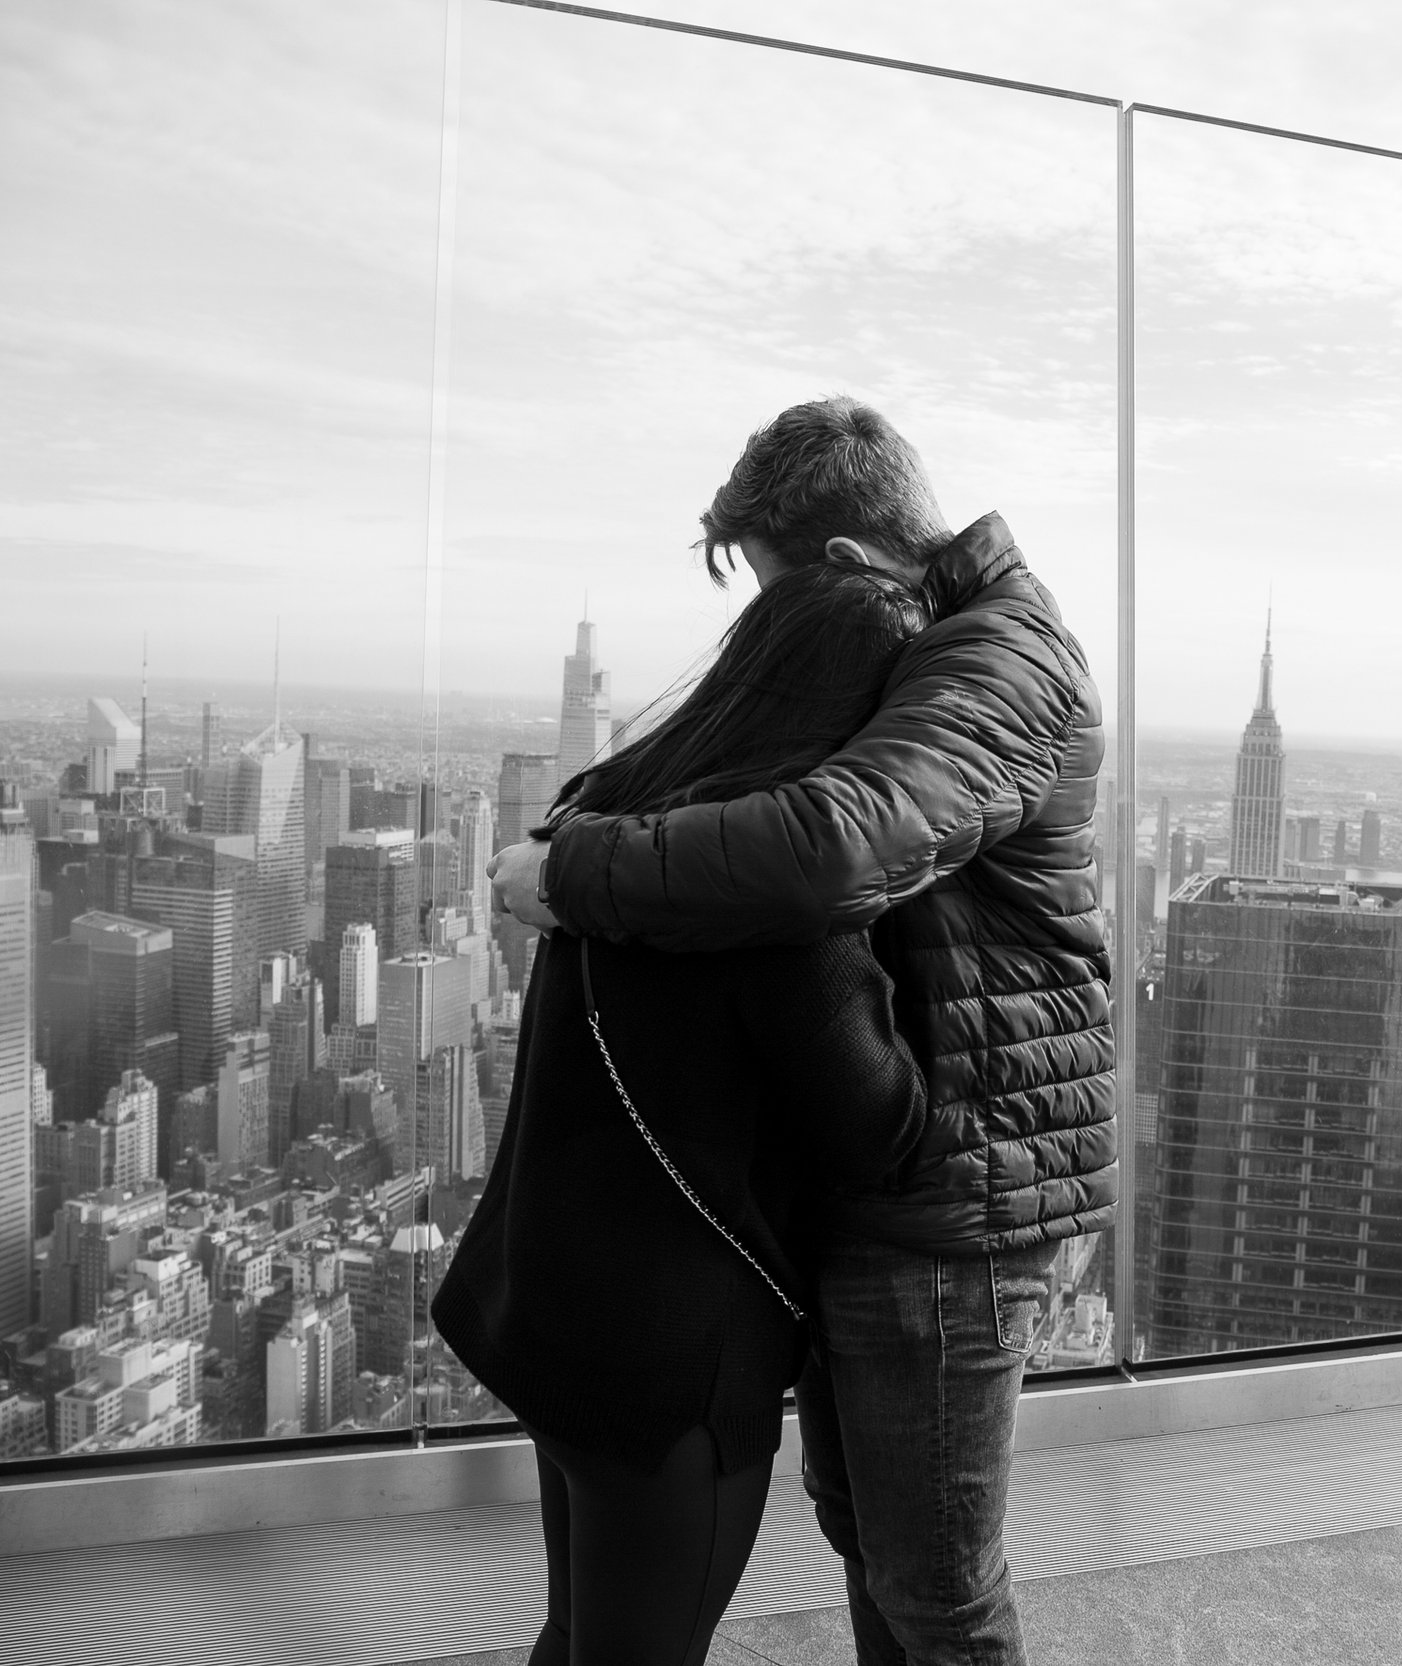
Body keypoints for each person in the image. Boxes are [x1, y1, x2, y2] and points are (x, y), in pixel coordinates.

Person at [492, 397, 1114, 1664]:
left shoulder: (1001, 657)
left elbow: (830, 852)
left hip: (956, 1184)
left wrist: (572, 871)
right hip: (897, 1173)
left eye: (773, 598)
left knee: (937, 1582)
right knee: (873, 1539)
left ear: (839, 566)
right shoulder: (933, 640)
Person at [435, 560, 933, 1665]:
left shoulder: (602, 820)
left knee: (574, 1633)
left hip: (553, 1312)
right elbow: (880, 1125)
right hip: (672, 1364)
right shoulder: (773, 904)